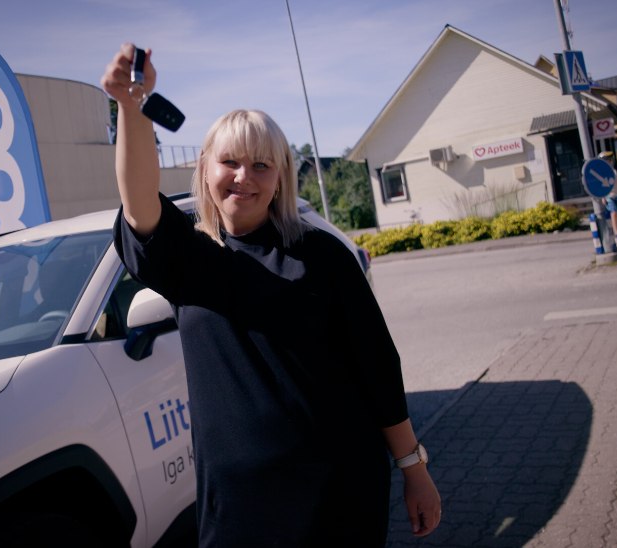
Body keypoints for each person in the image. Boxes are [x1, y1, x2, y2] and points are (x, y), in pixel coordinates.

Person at [102, 43, 440, 547]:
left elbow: (377, 366)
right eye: (231, 161)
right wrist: (131, 107)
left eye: (262, 165)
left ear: (280, 174)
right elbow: (139, 201)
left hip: (339, 492)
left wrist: (414, 466)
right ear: (205, 169)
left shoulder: (321, 255)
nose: (244, 176)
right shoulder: (188, 260)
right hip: (238, 507)